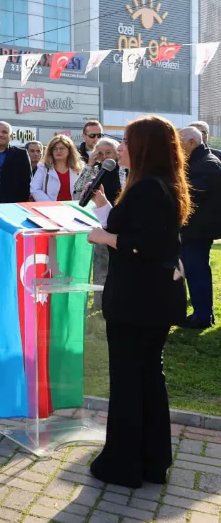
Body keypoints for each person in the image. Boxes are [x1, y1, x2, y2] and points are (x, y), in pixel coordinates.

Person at [86, 115, 190, 489]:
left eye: (127, 141)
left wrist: (104, 237)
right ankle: (151, 461)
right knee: (146, 377)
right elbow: (139, 230)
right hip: (150, 299)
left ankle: (123, 464)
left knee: (130, 381)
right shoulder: (158, 184)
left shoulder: (148, 188)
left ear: (145, 147)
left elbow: (142, 245)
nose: (120, 148)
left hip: (137, 300)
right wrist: (105, 209)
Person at [73, 137, 126, 310]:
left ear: (117, 154)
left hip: (121, 223)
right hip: (100, 223)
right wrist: (90, 164)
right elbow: (77, 191)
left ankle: (119, 301)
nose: (104, 157)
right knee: (101, 264)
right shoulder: (96, 171)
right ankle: (99, 303)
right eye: (100, 153)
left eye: (108, 153)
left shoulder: (124, 170)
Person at [176, 126, 221, 329]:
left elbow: (189, 194)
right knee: (193, 271)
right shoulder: (199, 161)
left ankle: (203, 316)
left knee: (197, 272)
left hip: (199, 231)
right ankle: (200, 313)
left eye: (179, 144)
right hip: (192, 230)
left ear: (192, 143)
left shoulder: (208, 164)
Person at [30, 134, 82, 202]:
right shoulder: (43, 168)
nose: (58, 151)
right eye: (55, 149)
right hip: (51, 207)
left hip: (72, 207)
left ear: (69, 150)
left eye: (61, 148)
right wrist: (51, 205)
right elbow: (34, 189)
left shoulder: (78, 168)